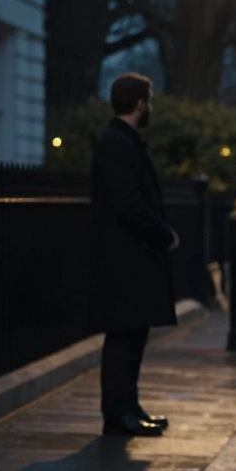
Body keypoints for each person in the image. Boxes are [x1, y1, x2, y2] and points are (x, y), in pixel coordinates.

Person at [87, 72, 179, 437]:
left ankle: (129, 406)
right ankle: (117, 412)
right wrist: (164, 235)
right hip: (123, 259)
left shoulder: (123, 142)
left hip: (131, 258)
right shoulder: (116, 144)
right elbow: (129, 204)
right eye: (149, 100)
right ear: (140, 103)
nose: (151, 107)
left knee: (133, 334)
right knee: (123, 336)